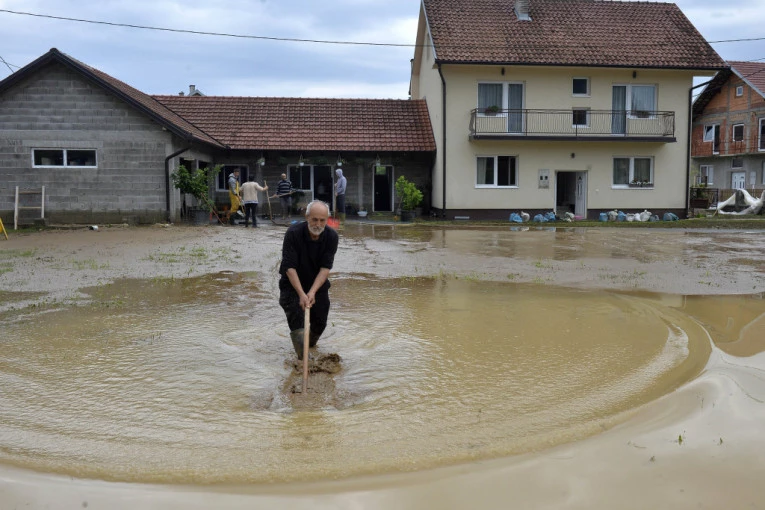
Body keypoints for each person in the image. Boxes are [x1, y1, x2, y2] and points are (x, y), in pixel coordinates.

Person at [278, 200, 339, 359]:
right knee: (297, 322)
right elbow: (289, 268)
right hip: (292, 284)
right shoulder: (293, 233)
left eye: (322, 220)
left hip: (316, 284)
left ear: (327, 220)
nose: (318, 224)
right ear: (307, 217)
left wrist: (311, 292)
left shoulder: (332, 237)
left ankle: (310, 346)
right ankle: (302, 358)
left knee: (320, 322)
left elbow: (325, 269)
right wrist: (301, 294)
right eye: (314, 219)